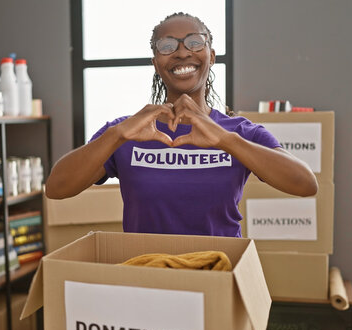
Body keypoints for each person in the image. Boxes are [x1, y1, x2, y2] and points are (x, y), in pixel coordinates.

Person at [46, 12, 317, 237]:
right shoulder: (127, 132)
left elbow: (305, 184)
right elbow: (57, 188)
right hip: (148, 278)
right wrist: (116, 135)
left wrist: (225, 140)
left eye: (194, 43)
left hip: (218, 277)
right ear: (156, 63)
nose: (181, 52)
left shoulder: (239, 132)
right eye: (167, 46)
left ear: (211, 55)